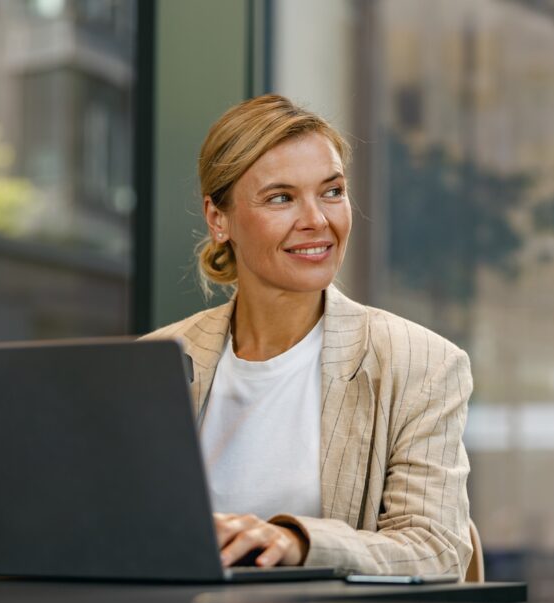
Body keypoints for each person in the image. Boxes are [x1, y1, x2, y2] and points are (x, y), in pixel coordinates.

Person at [143, 94, 473, 577]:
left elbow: (436, 550)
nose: (317, 220)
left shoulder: (420, 362)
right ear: (219, 219)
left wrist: (298, 541)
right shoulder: (155, 361)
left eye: (332, 192)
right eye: (281, 198)